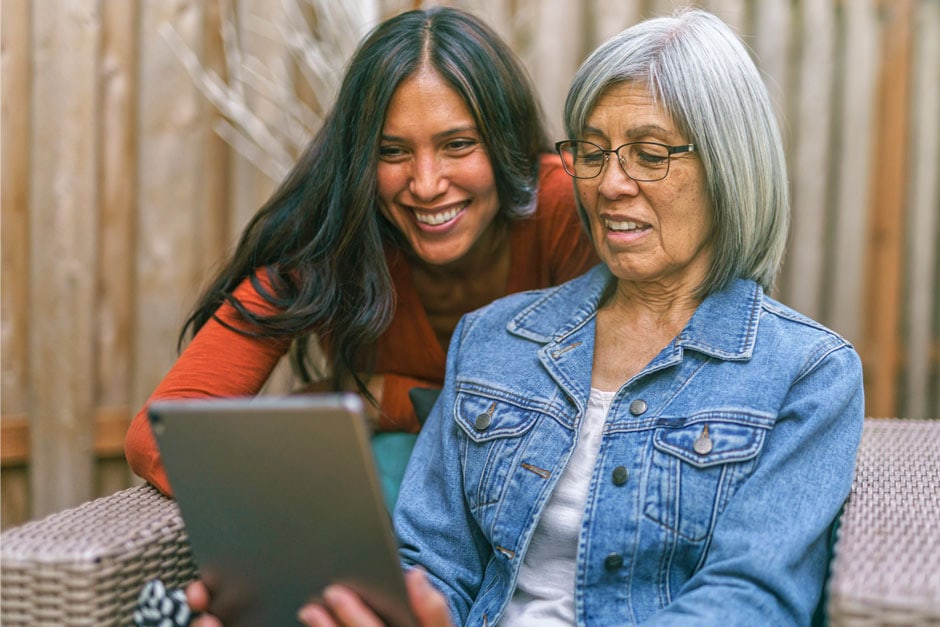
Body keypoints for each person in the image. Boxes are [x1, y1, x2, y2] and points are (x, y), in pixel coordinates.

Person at [286, 8, 864, 626]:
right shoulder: (493, 337)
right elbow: (432, 562)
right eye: (590, 153)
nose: (609, 183)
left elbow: (751, 598)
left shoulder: (807, 373)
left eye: (648, 154)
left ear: (729, 165)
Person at [124, 6, 597, 498]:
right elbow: (160, 437)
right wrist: (378, 411)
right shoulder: (334, 242)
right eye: (392, 152)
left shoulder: (566, 209)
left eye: (458, 145)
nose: (427, 184)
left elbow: (615, 422)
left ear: (507, 143)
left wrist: (375, 398)